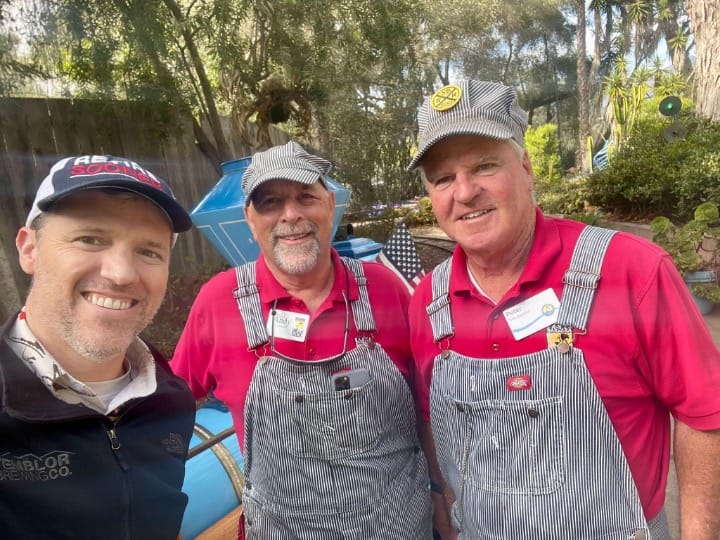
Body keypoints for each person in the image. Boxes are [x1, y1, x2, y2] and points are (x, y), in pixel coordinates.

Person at [406, 80, 720, 539]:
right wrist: (447, 516)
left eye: (485, 166)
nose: (465, 191)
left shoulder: (630, 269)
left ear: (527, 169)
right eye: (443, 178)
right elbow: (434, 424)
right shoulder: (428, 303)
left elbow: (704, 415)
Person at [171, 141, 434, 539]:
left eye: (305, 197)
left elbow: (429, 408)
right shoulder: (218, 302)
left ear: (330, 203)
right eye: (271, 202)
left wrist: (443, 494)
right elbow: (168, 410)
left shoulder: (387, 290)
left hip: (398, 527)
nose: (291, 215)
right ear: (248, 218)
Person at [0, 155, 197, 539]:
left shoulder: (171, 401)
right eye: (90, 239)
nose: (121, 273)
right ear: (29, 250)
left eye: (149, 251)